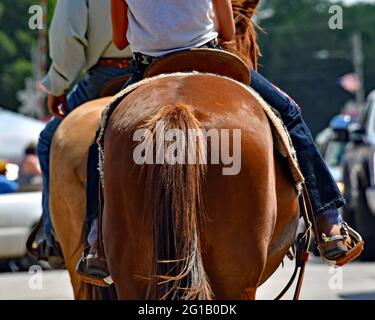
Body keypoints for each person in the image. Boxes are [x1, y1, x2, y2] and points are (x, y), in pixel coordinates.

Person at [76, 0, 363, 282]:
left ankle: (95, 240)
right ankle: (328, 223)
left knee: (100, 138)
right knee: (290, 113)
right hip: (209, 59)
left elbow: (120, 37)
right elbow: (226, 32)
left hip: (149, 67)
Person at [27, 0, 133, 263]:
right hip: (166, 65)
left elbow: (69, 35)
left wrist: (58, 85)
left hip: (108, 72)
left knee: (48, 139)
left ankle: (52, 238)